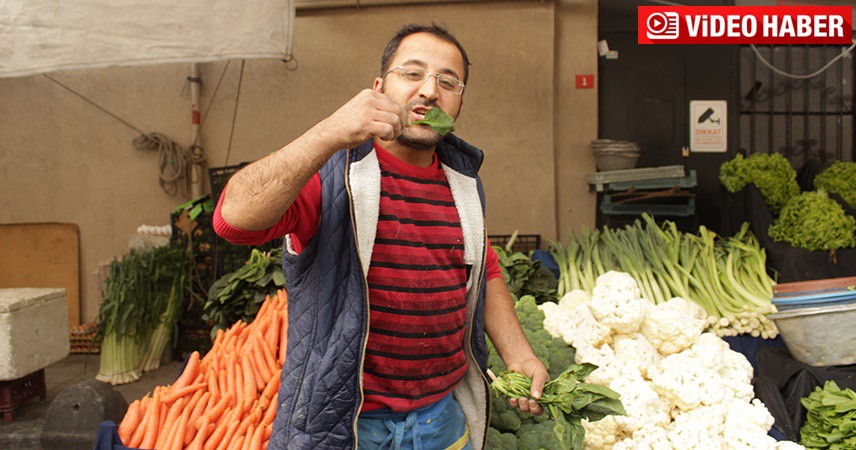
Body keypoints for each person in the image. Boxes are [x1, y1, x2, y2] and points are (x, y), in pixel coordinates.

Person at [214, 22, 548, 450]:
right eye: (412, 74)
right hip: (343, 422)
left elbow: (486, 270)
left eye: (448, 82)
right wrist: (331, 131)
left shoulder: (464, 183)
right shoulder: (335, 175)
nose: (429, 91)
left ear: (459, 102)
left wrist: (519, 355)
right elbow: (233, 222)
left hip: (440, 419)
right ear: (378, 88)